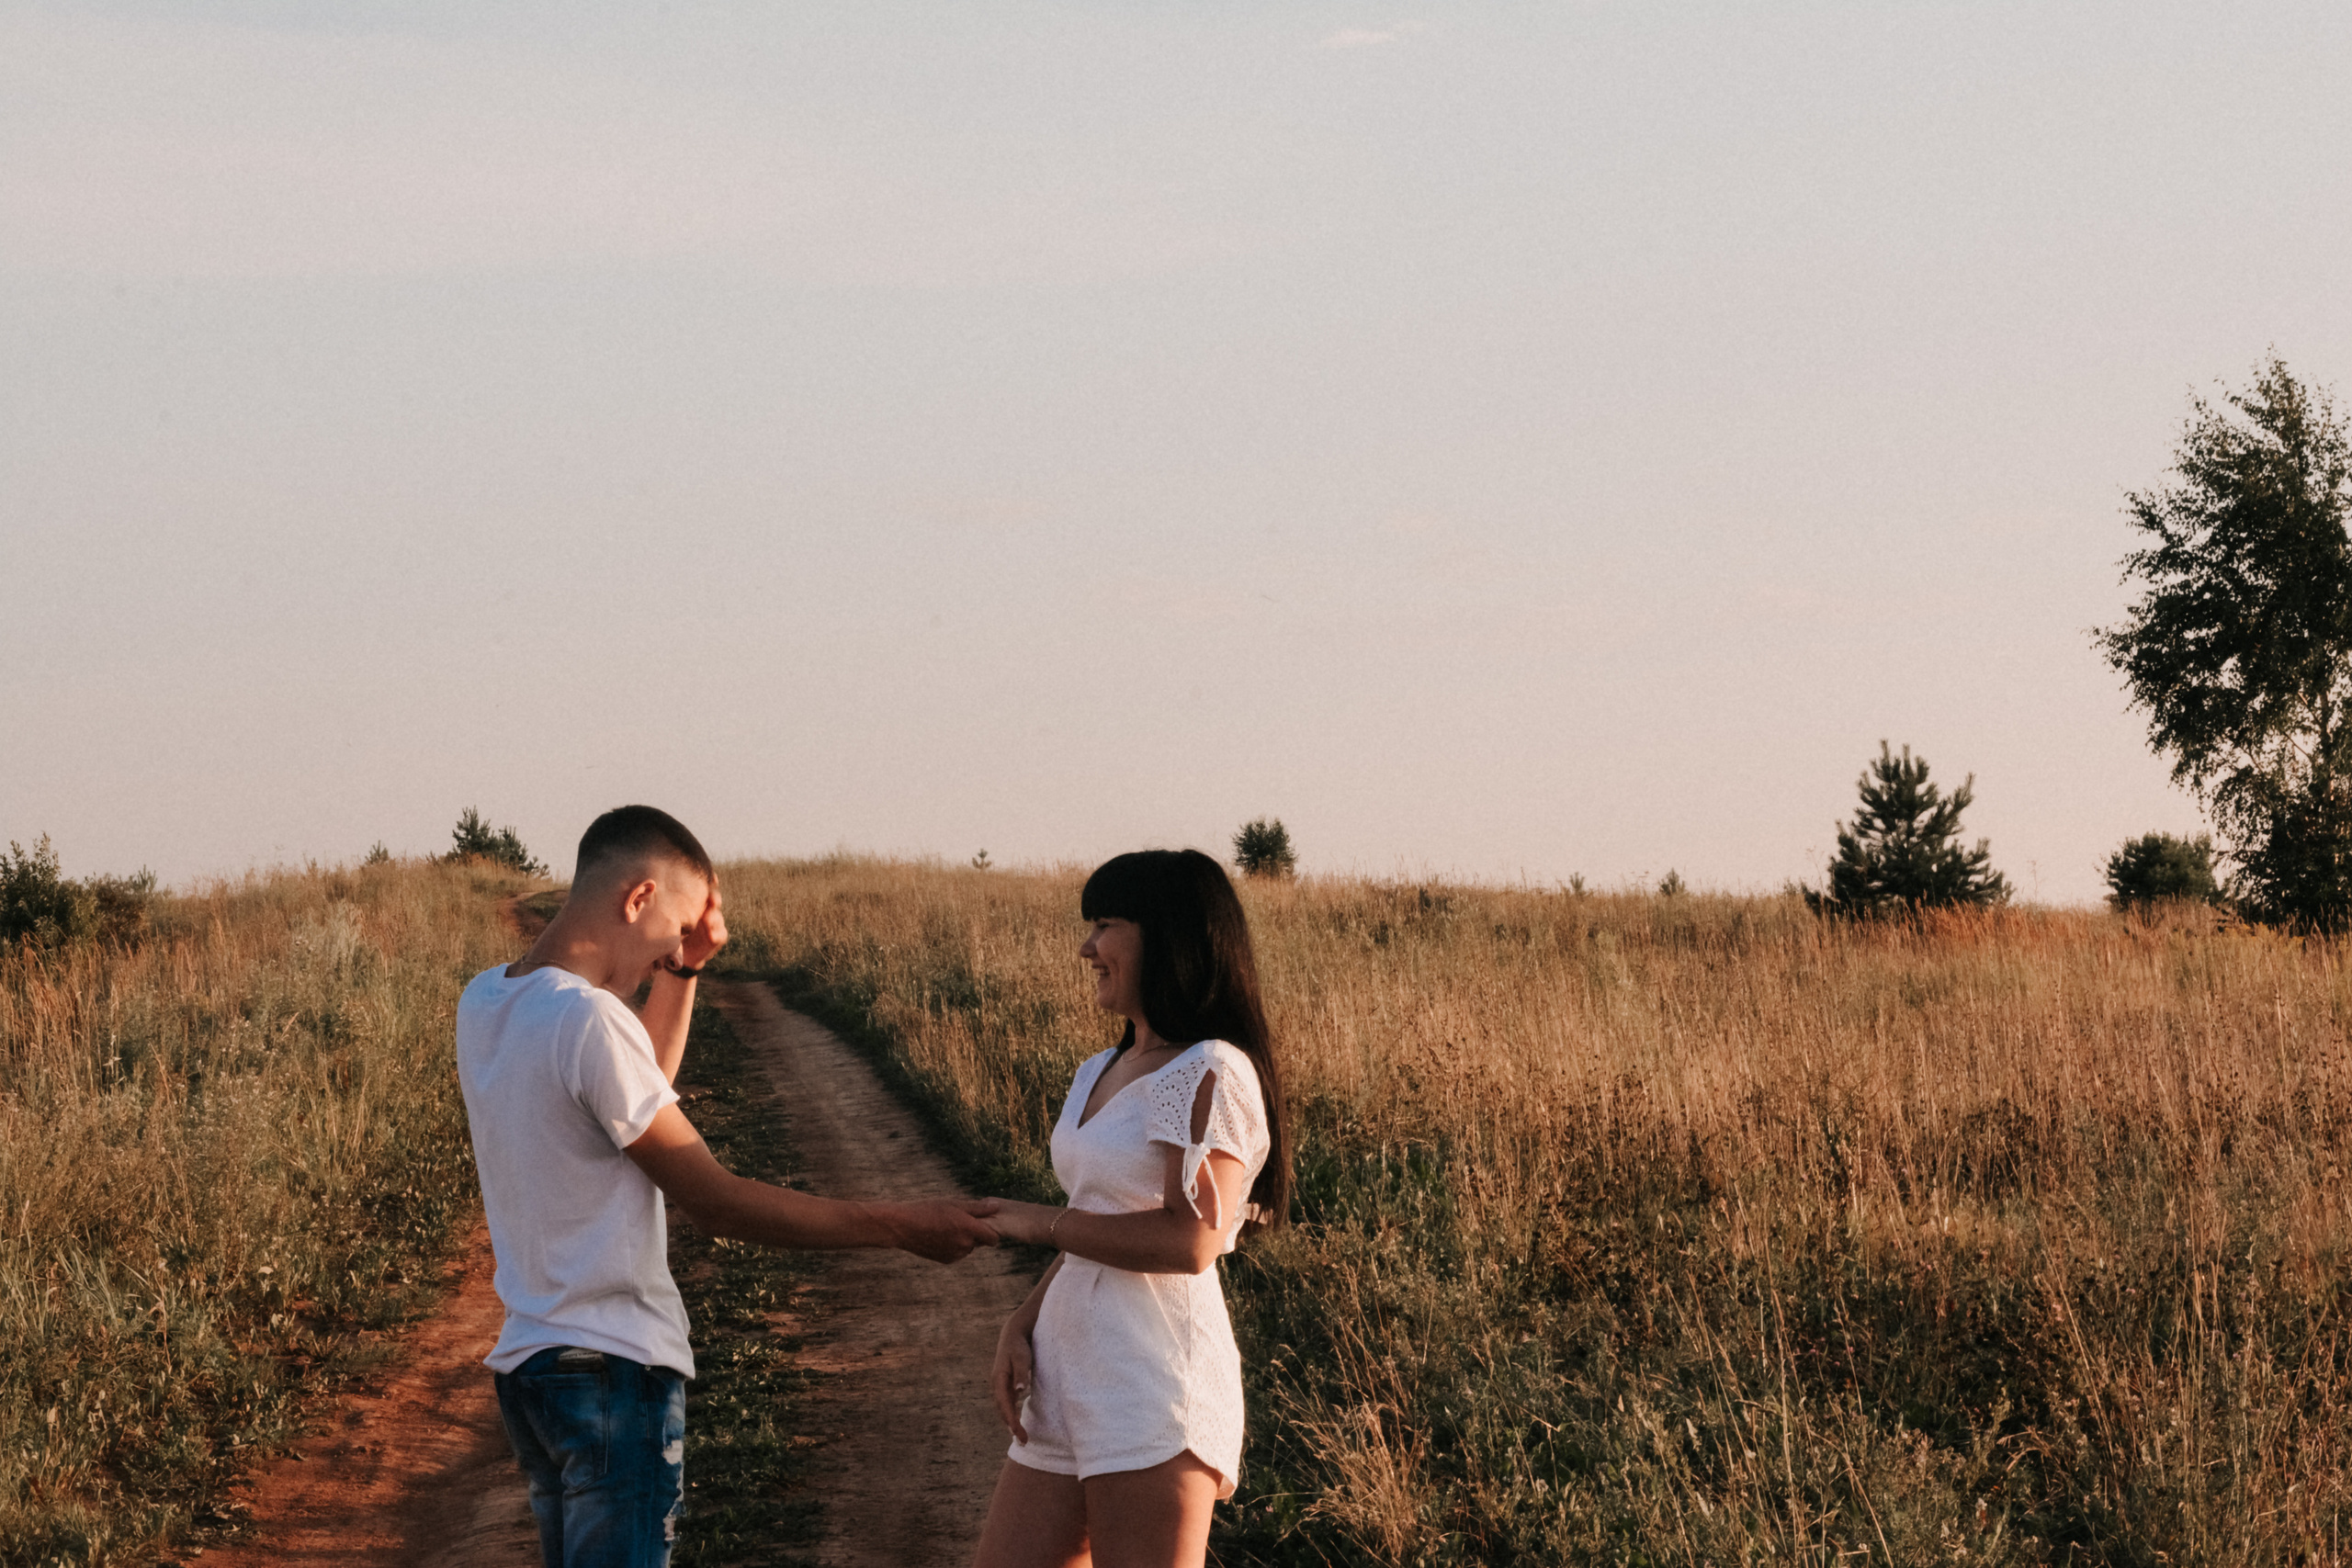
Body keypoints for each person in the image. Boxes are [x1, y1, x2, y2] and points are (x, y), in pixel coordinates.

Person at [455, 805, 999, 1568]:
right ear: (637, 897)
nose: (673, 948)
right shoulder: (588, 1021)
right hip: (615, 1371)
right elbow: (712, 1198)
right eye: (675, 929)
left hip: (536, 1372)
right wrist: (904, 1225)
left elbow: (634, 1091)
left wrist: (685, 971)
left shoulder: (487, 1001)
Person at [973, 849, 1293, 1568]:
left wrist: (1034, 1220)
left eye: (1105, 924)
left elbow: (1193, 1241)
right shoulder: (1100, 1068)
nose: (1087, 946)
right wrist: (1024, 1318)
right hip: (1066, 1376)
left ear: (1167, 935)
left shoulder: (1211, 1068)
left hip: (1151, 1383)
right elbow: (1099, 1215)